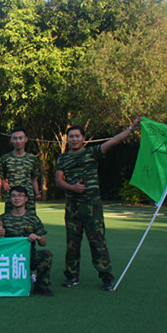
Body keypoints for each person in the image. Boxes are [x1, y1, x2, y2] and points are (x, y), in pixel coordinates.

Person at [56, 118, 142, 291]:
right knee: (72, 243)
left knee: (97, 241)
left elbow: (113, 141)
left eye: (77, 136)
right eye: (71, 136)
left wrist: (131, 129)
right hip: (72, 207)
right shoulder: (63, 158)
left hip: (92, 206)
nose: (74, 139)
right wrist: (73, 188)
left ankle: (106, 277)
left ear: (83, 138)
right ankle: (72, 276)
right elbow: (58, 181)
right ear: (67, 139)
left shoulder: (92, 152)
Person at [0, 186, 53, 297]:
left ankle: (41, 286)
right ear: (10, 199)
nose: (16, 198)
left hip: (27, 257)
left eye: (20, 196)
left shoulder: (33, 219)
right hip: (8, 258)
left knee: (46, 255)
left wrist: (37, 237)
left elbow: (43, 242)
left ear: (26, 199)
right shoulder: (3, 219)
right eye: (13, 196)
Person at [0, 127, 42, 214]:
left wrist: (37, 193)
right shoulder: (5, 159)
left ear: (26, 139)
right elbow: (0, 177)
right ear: (11, 140)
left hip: (28, 197)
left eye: (20, 138)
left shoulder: (32, 158)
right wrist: (4, 184)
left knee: (30, 220)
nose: (18, 141)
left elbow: (33, 178)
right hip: (12, 198)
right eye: (15, 138)